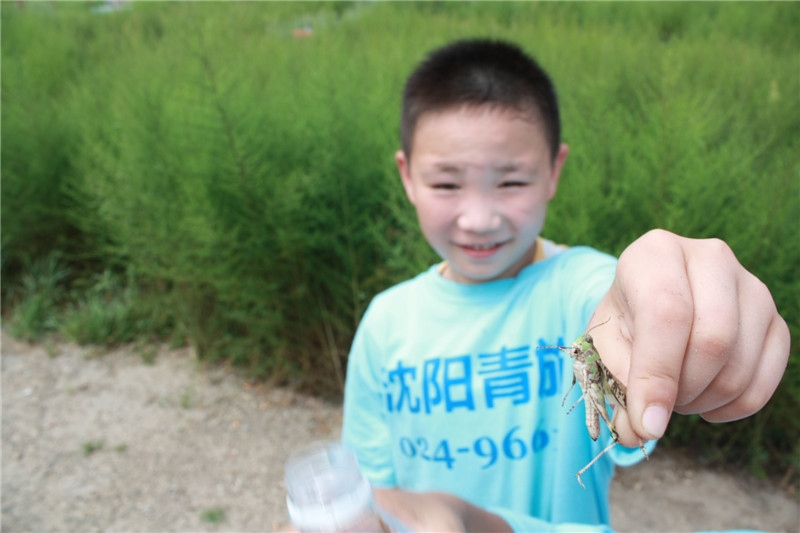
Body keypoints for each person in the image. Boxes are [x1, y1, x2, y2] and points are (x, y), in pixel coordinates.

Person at [341, 39, 790, 532]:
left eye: (511, 182)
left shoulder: (575, 286)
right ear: (406, 176)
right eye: (446, 184)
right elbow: (371, 488)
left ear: (555, 170)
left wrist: (670, 298)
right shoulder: (383, 322)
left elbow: (613, 299)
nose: (478, 219)